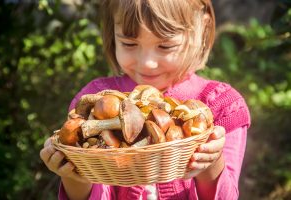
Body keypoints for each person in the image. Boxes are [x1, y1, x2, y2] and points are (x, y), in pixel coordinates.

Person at [40, 0, 251, 199]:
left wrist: (211, 164)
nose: (147, 62)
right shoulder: (94, 103)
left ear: (201, 31)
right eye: (129, 44)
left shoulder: (222, 106)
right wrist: (72, 174)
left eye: (165, 46)